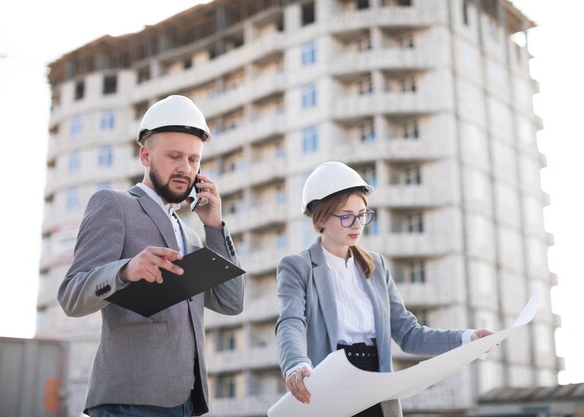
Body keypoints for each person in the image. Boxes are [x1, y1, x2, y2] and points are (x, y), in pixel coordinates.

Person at [57, 95, 244, 417]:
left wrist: (214, 226)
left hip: (186, 399)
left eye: (193, 160)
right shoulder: (114, 204)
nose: (185, 168)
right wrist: (126, 270)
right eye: (174, 156)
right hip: (130, 398)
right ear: (146, 155)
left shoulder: (190, 234)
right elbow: (72, 296)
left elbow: (231, 303)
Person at [275, 161, 493, 417]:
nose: (357, 224)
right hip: (329, 391)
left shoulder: (375, 265)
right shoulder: (297, 267)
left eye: (363, 214)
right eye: (346, 216)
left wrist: (467, 340)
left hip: (376, 392)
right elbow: (290, 321)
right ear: (321, 217)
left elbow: (409, 334)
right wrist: (295, 365)